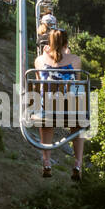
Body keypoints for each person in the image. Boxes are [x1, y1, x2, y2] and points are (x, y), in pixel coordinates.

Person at [34, 26, 86, 180]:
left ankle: (47, 161)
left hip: (47, 108)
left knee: (46, 123)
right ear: (66, 43)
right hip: (68, 108)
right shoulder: (75, 60)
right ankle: (77, 164)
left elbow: (38, 85)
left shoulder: (40, 60)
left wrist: (47, 54)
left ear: (49, 43)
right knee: (77, 126)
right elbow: (76, 85)